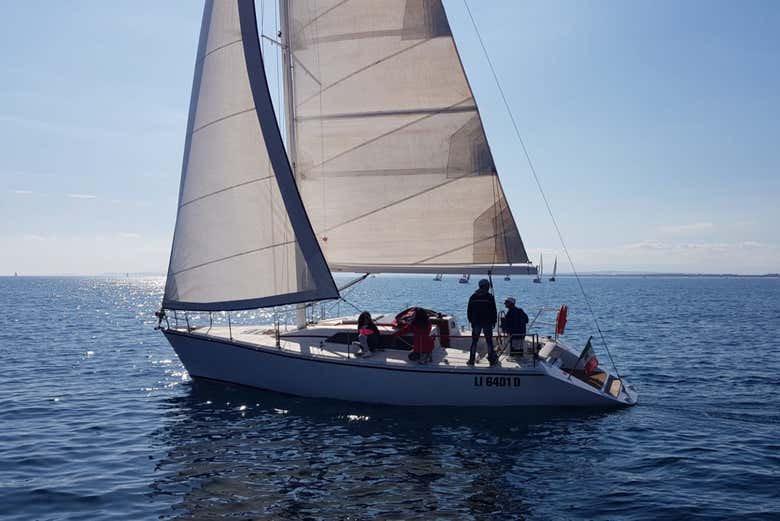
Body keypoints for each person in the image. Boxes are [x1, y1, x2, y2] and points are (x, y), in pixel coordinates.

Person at [467, 279, 498, 366]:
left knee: (474, 341)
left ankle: (471, 360)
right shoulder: (489, 297)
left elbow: (469, 311)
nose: (488, 287)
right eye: (487, 286)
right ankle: (491, 360)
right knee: (489, 342)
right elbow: (494, 310)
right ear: (485, 286)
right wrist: (494, 321)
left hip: (476, 323)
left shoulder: (473, 297)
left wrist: (471, 321)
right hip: (487, 323)